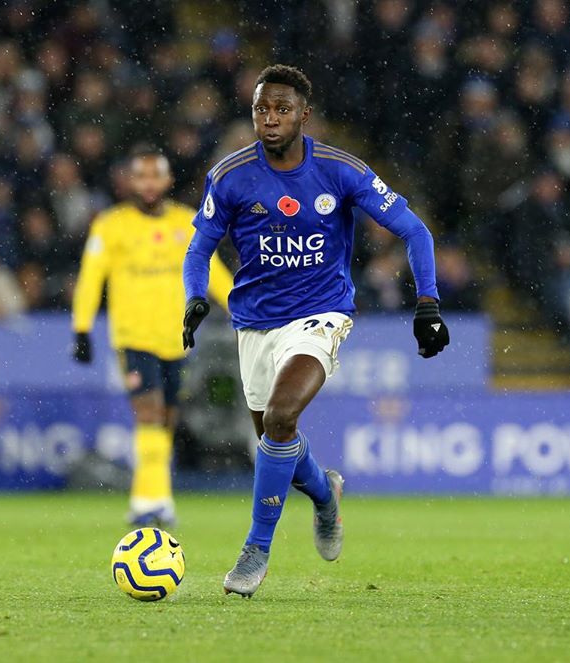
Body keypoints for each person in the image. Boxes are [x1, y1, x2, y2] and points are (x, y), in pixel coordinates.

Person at [181, 65, 449, 597]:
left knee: (281, 417)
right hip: (254, 322)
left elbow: (414, 230)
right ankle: (325, 495)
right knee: (273, 438)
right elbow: (198, 247)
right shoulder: (231, 175)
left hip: (321, 314)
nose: (270, 118)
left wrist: (428, 303)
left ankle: (256, 550)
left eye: (282, 109)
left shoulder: (339, 170)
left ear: (304, 114)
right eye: (261, 109)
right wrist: (193, 296)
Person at [71, 145, 234, 529]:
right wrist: (81, 328)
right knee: (149, 415)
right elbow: (91, 279)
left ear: (167, 180)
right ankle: (151, 504)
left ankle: (151, 498)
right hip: (134, 338)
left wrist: (240, 309)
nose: (147, 183)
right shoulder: (111, 225)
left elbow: (214, 270)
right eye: (140, 175)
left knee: (166, 423)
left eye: (154, 175)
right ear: (129, 180)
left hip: (178, 339)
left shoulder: (186, 222)